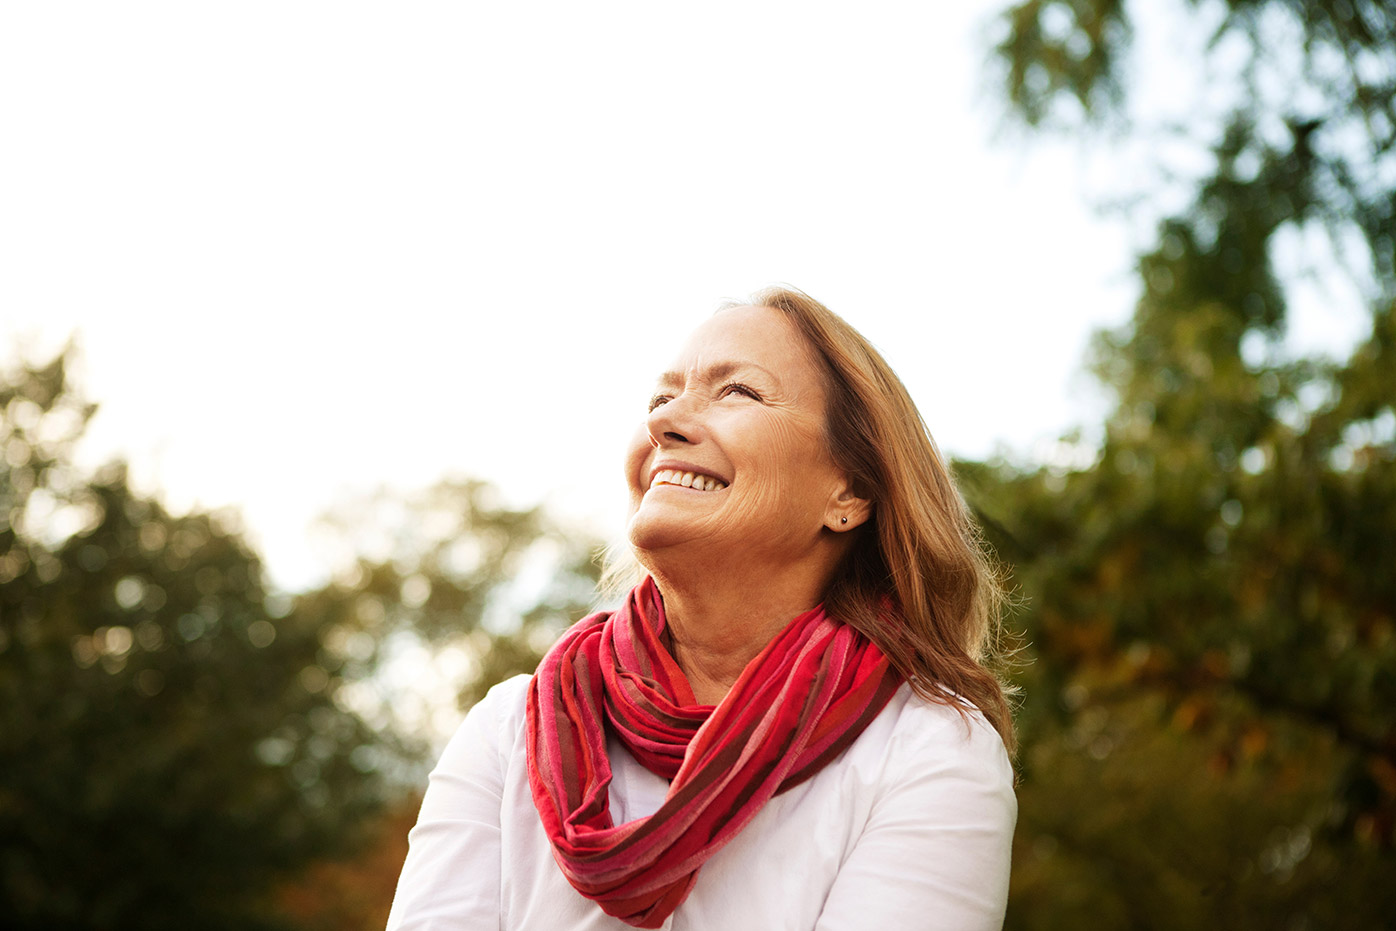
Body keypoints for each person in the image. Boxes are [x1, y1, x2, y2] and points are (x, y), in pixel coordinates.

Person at [385, 287, 1017, 930]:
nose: (665, 422)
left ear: (849, 491)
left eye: (736, 391)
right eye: (661, 399)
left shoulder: (929, 749)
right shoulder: (507, 731)